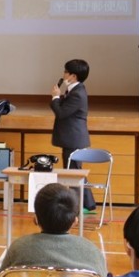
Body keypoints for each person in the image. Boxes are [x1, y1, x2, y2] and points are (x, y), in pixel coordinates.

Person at [50, 58, 96, 211]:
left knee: (73, 173)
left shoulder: (77, 93)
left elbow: (61, 113)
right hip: (72, 138)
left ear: (73, 76)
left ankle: (77, 206)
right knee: (75, 171)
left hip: (74, 138)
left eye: (66, 72)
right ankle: (88, 204)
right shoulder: (75, 90)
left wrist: (56, 97)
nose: (63, 75)